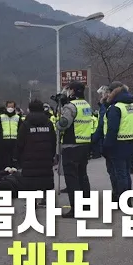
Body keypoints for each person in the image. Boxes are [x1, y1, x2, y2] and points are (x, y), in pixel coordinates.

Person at [57, 81, 92, 218]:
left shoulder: (71, 107)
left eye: (68, 89)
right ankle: (87, 206)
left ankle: (76, 208)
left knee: (72, 178)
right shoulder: (86, 105)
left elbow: (63, 124)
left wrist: (58, 121)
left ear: (72, 91)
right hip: (85, 143)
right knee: (83, 176)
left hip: (72, 144)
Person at [102, 82, 133, 201]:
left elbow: (112, 129)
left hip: (117, 144)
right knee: (126, 173)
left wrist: (106, 146)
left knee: (119, 174)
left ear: (113, 92)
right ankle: (127, 199)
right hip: (130, 142)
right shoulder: (131, 106)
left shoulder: (115, 108)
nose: (107, 94)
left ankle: (122, 199)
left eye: (108, 92)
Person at [12, 99, 56, 192]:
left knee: (30, 184)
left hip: (29, 159)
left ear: (30, 109)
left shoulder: (25, 124)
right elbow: (53, 141)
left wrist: (16, 157)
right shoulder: (48, 123)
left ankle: (32, 199)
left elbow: (20, 142)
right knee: (45, 181)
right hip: (46, 158)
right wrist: (52, 155)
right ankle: (46, 198)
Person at [0, 100, 21, 170]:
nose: (10, 108)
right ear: (6, 107)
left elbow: (20, 130)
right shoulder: (1, 117)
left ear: (14, 108)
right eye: (9, 106)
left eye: (12, 107)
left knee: (14, 159)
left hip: (15, 141)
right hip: (4, 141)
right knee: (4, 159)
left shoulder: (17, 118)